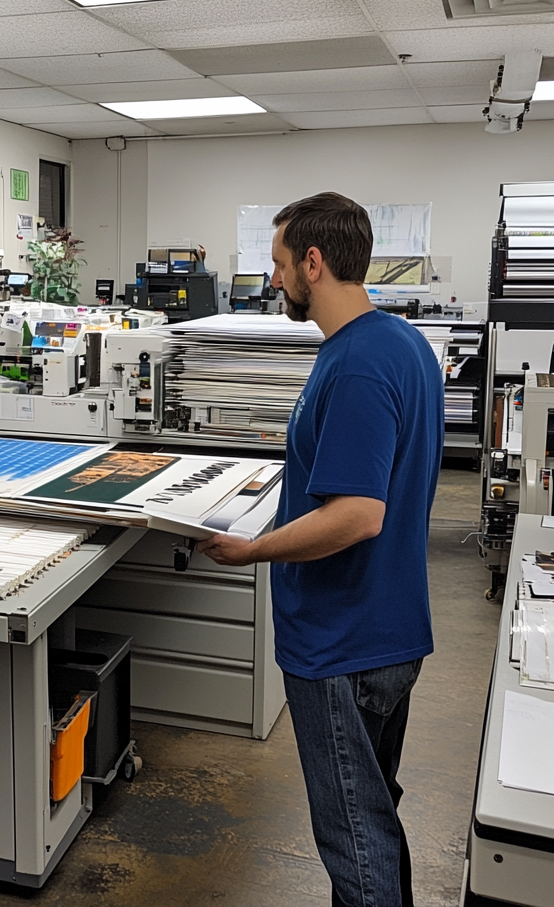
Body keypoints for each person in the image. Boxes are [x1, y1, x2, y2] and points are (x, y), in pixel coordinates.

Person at [198, 192, 443, 907]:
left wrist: (253, 551)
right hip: (388, 629)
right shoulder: (397, 344)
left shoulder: (358, 365)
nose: (273, 280)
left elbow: (360, 515)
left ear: (314, 261)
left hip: (343, 640)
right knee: (375, 820)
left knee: (355, 842)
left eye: (279, 265)